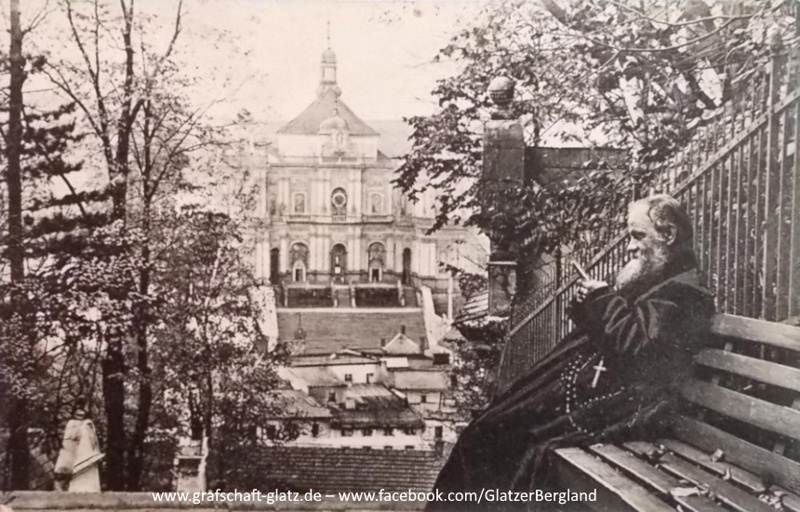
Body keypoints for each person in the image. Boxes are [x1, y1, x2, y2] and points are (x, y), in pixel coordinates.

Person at [427, 195, 715, 511]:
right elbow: (624, 331)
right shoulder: (663, 280)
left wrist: (602, 299)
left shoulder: (685, 292)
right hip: (605, 393)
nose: (629, 247)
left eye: (637, 235)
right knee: (490, 427)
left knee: (492, 436)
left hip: (630, 406)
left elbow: (641, 348)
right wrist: (591, 303)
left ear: (668, 236)